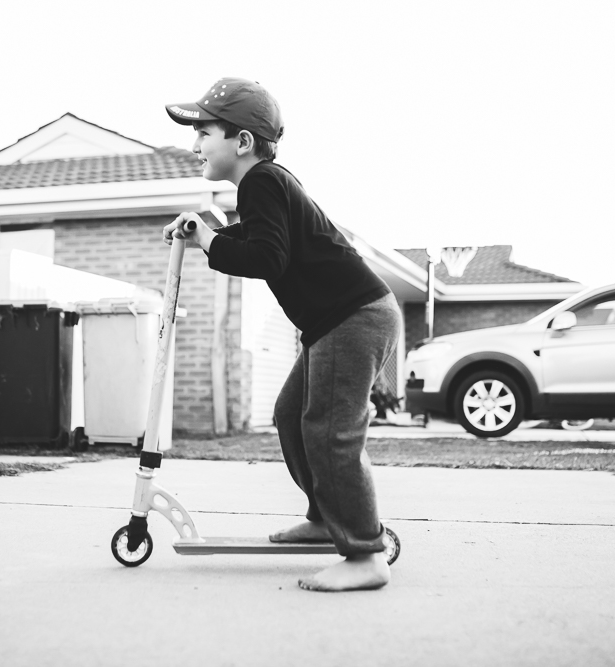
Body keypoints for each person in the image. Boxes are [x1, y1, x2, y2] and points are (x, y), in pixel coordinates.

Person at [162, 78, 402, 591]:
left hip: (354, 316)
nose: (194, 144)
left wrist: (208, 238)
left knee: (331, 431)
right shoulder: (265, 185)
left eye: (204, 132)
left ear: (242, 141)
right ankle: (323, 519)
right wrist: (206, 230)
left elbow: (267, 257)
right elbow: (259, 241)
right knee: (291, 415)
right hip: (338, 319)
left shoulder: (261, 183)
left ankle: (365, 555)